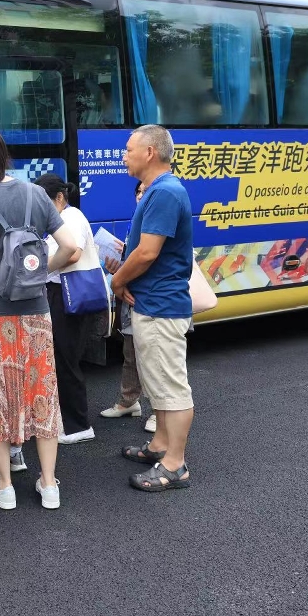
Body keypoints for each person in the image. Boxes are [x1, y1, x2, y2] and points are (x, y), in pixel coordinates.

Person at [0, 127, 83, 511]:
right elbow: (71, 247)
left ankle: (5, 487)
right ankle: (49, 484)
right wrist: (41, 271)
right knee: (42, 392)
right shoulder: (36, 194)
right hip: (36, 313)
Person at [111, 124, 195, 493]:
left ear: (150, 153)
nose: (123, 156)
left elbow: (147, 252)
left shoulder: (164, 192)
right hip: (153, 302)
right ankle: (160, 445)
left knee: (171, 387)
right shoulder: (160, 191)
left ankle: (175, 465)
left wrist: (117, 281)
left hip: (161, 305)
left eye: (129, 149)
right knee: (158, 382)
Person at [35, 173, 102, 446]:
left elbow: (72, 253)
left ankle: (78, 426)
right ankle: (68, 420)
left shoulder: (71, 217)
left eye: (44, 203)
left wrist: (40, 268)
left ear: (60, 197)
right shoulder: (61, 218)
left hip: (68, 294)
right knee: (61, 358)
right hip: (60, 293)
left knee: (66, 359)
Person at [100, 180, 156, 434]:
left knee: (153, 358)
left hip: (149, 300)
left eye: (145, 192)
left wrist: (120, 277)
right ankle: (129, 401)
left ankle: (159, 411)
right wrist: (119, 267)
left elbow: (150, 261)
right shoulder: (136, 222)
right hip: (132, 297)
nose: (140, 196)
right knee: (130, 353)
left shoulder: (158, 223)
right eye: (138, 192)